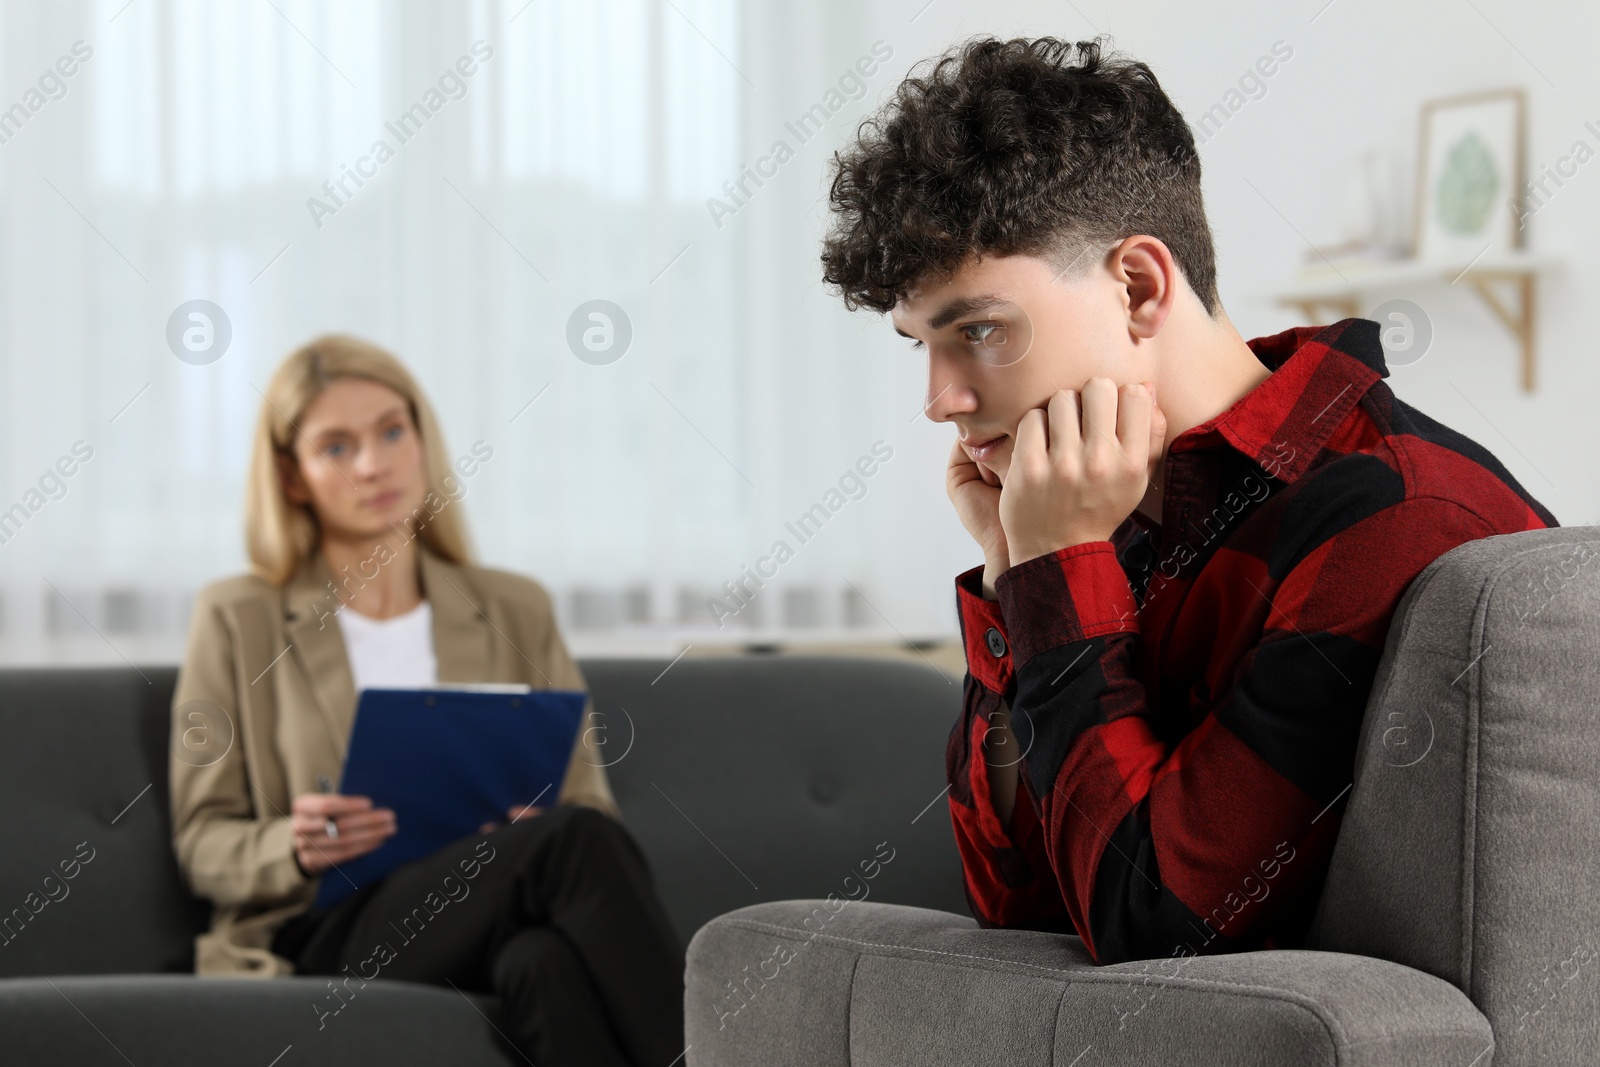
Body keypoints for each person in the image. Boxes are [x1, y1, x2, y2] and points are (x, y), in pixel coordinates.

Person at [819, 36, 1557, 964]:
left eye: (980, 330)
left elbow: (1156, 924)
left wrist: (1058, 573)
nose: (940, 399)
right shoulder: (1100, 505)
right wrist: (1021, 581)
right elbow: (1022, 901)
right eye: (921, 344)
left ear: (1137, 286)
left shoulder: (1391, 515)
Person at [168, 334, 683, 1066]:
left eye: (390, 431)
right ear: (290, 476)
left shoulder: (515, 607)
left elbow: (584, 800)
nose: (373, 463)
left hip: (489, 908)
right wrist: (294, 844)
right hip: (325, 927)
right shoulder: (236, 616)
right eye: (337, 447)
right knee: (572, 846)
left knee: (542, 962)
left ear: (421, 438)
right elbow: (202, 843)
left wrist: (528, 829)